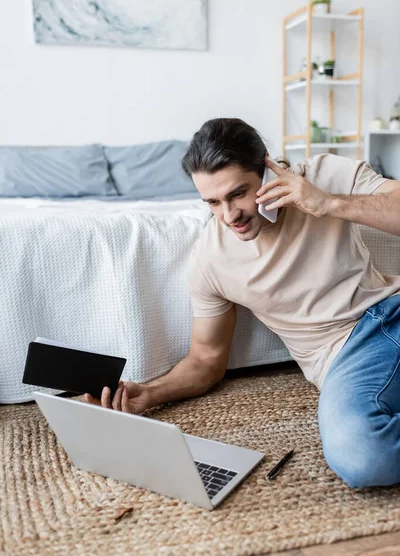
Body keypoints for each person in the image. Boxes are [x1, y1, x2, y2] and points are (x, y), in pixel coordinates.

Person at [86, 118, 400, 488]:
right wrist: (150, 393)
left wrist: (327, 202)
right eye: (213, 202)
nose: (229, 215)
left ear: (266, 170)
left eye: (238, 194)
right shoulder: (211, 259)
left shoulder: (322, 175)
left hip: (390, 309)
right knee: (361, 455)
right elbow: (205, 360)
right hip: (348, 353)